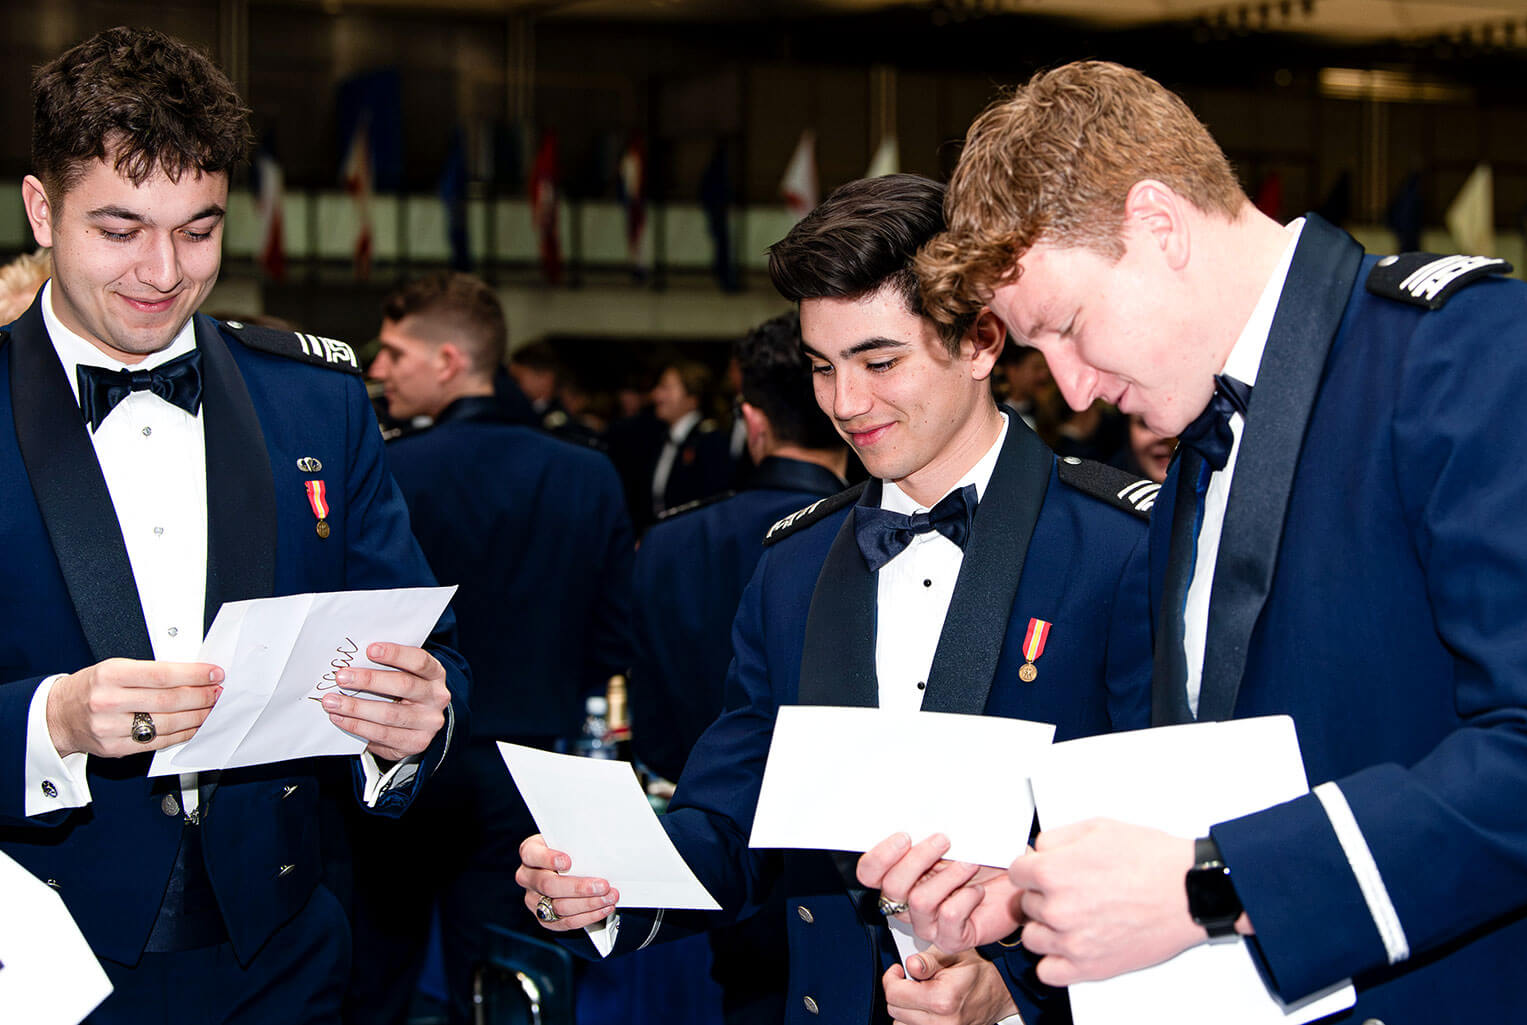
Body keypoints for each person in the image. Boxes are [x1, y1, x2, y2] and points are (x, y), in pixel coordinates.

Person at [872, 59, 1527, 1025]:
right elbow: (1226, 788)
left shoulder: (1468, 356)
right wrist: (1036, 896)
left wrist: (1208, 887)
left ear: (1159, 226)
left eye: (1068, 327)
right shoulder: (1198, 454)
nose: (1074, 391)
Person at [517, 174, 1154, 1025]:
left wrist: (1014, 988)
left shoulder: (1120, 549)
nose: (845, 405)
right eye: (823, 367)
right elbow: (734, 809)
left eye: (879, 361)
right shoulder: (792, 564)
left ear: (982, 340)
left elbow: (1154, 843)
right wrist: (613, 876)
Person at [0, 27, 469, 1024]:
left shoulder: (315, 400)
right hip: (37, 953)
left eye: (199, 228)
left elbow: (434, 656)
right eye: (120, 228)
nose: (163, 271)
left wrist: (414, 723)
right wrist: (55, 722)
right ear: (42, 209)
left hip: (284, 950)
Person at [352, 271, 634, 1025]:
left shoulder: (385, 471)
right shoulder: (587, 470)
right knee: (516, 987)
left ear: (447, 361)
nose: (378, 371)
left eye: (392, 353)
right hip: (533, 772)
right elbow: (614, 635)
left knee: (377, 983)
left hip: (405, 770)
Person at [629, 310, 848, 1025]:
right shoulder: (849, 539)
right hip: (843, 873)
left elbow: (653, 718)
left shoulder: (671, 539)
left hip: (708, 841)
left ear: (752, 420)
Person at [648, 359, 733, 519]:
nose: (656, 395)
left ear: (692, 398)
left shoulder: (709, 443)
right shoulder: (660, 440)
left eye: (666, 388)